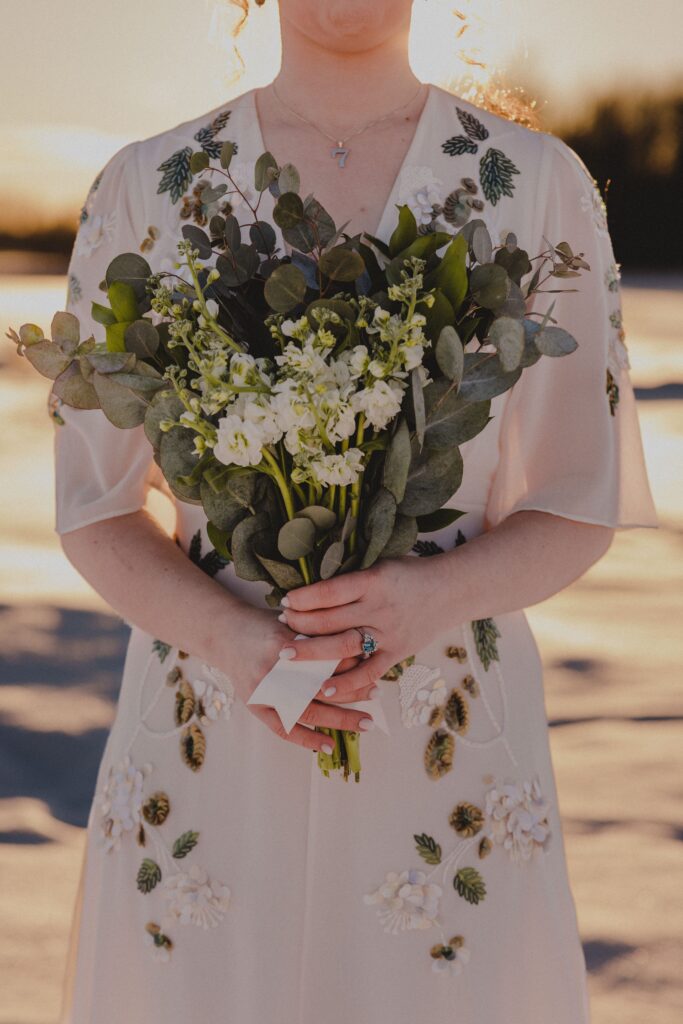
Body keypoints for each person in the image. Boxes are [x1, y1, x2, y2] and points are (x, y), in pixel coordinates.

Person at [52, 1, 658, 1021]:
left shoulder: (535, 184)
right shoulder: (145, 186)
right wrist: (235, 642)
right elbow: (95, 504)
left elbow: (577, 495)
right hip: (212, 736)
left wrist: (429, 598)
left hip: (443, 737)